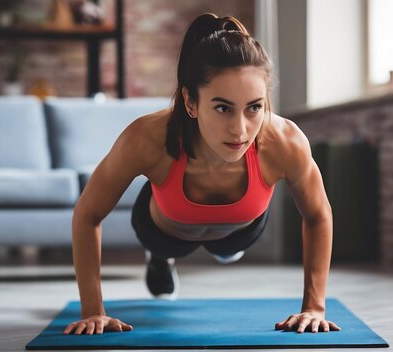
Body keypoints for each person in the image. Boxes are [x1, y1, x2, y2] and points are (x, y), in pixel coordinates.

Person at [63, 13, 340, 336]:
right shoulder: (146, 137)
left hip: (240, 231)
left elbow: (319, 215)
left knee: (226, 250)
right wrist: (93, 310)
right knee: (167, 247)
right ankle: (160, 258)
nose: (240, 130)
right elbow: (88, 213)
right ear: (191, 102)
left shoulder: (285, 141)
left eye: (254, 107)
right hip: (163, 230)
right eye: (223, 108)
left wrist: (313, 307)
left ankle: (220, 248)